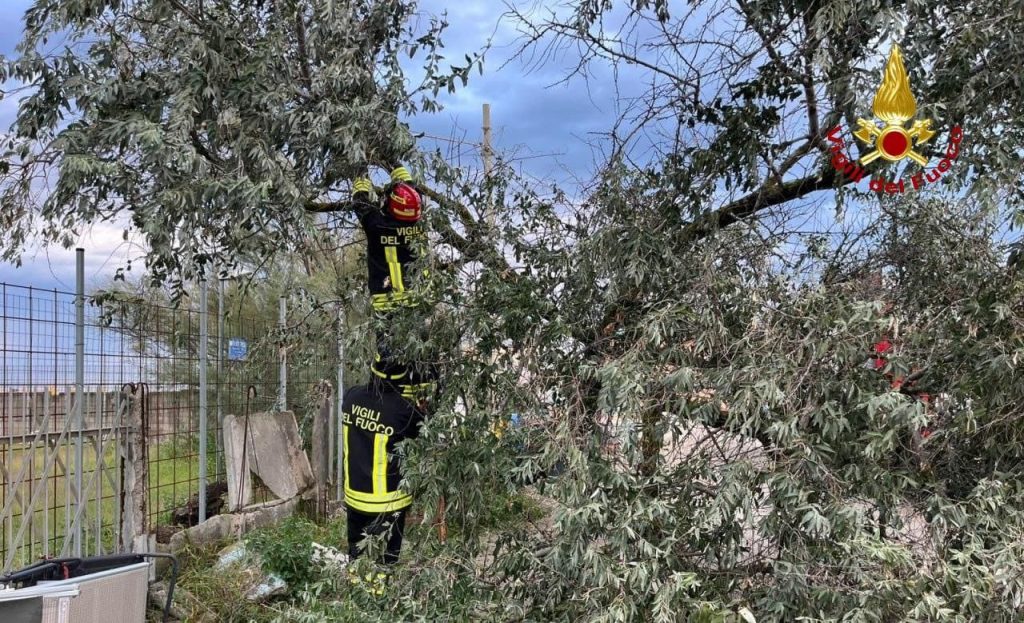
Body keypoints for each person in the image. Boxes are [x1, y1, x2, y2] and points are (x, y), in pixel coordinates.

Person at [341, 367, 431, 565]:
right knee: (386, 560)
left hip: (355, 495)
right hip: (388, 501)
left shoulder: (351, 396)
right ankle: (382, 581)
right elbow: (423, 428)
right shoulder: (403, 410)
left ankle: (356, 580)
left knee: (357, 556)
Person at [349, 165, 429, 379]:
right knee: (419, 353)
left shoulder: (378, 226)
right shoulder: (420, 223)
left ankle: (384, 387)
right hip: (416, 300)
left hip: (387, 301)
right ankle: (420, 387)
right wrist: (397, 168)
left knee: (388, 355)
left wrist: (359, 173)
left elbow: (361, 202)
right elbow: (413, 196)